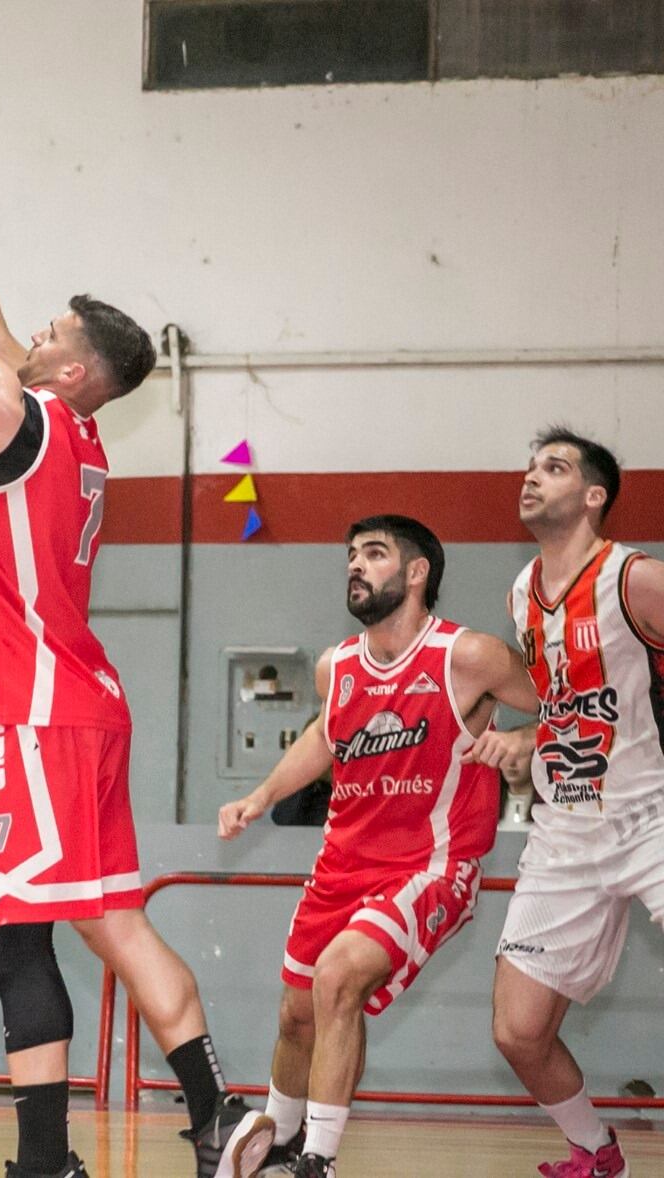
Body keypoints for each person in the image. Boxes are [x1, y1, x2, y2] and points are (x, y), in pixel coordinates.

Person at [0, 94, 270, 1178]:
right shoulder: (71, 438)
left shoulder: (14, 421)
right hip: (79, 709)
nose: (27, 331)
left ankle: (56, 1158)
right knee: (110, 924)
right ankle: (210, 1112)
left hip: (29, 720)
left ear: (72, 371)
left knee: (10, 936)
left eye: (51, 334)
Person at [218, 516, 539, 1177]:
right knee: (298, 1014)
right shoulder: (337, 667)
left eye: (373, 553)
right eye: (351, 556)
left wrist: (524, 741)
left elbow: (561, 701)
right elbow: (320, 741)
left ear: (417, 572)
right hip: (341, 866)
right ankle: (278, 1142)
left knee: (338, 979)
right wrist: (258, 796)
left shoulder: (468, 656)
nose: (355, 566)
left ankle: (318, 1160)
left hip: (431, 865)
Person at [478, 428, 664, 1178]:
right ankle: (594, 1150)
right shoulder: (522, 591)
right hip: (566, 834)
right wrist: (524, 739)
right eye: (528, 466)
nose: (531, 478)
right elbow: (571, 704)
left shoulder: (636, 577)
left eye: (552, 468)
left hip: (652, 818)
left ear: (594, 496)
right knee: (518, 1032)